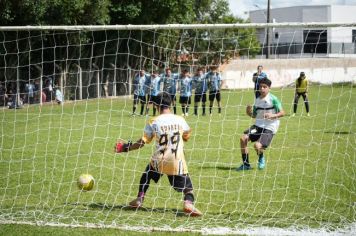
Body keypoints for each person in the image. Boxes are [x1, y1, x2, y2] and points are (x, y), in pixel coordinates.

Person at [115, 92, 202, 216]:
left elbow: (142, 142)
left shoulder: (153, 121)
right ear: (171, 104)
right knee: (188, 188)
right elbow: (187, 136)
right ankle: (188, 203)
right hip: (177, 161)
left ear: (156, 106)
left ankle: (140, 198)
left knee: (146, 175)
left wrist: (126, 147)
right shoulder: (180, 119)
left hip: (159, 160)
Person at [237, 77, 285, 171]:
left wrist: (273, 115)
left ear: (269, 88)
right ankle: (246, 165)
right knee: (243, 138)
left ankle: (261, 157)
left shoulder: (273, 99)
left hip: (269, 128)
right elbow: (254, 115)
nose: (262, 89)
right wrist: (248, 111)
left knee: (257, 146)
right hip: (258, 127)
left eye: (264, 87)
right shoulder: (258, 99)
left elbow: (283, 112)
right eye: (260, 87)